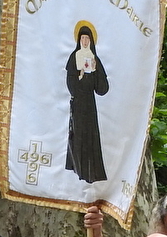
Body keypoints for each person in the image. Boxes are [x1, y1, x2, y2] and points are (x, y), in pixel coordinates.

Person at [65, 22, 108, 182]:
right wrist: (80, 76)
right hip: (78, 104)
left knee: (91, 137)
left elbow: (102, 89)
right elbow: (71, 85)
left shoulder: (94, 59)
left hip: (90, 104)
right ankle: (77, 169)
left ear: (91, 40)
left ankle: (92, 172)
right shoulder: (74, 57)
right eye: (82, 38)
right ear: (79, 39)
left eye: (87, 38)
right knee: (77, 135)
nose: (84, 41)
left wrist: (96, 71)